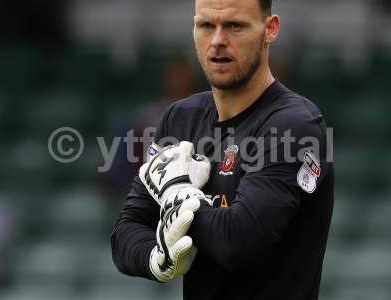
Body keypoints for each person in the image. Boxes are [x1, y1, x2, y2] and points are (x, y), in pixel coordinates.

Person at [111, 0, 334, 299]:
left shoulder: (294, 125)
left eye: (234, 26)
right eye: (206, 26)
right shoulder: (180, 119)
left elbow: (239, 240)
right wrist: (156, 257)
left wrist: (178, 198)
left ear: (270, 29)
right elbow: (127, 228)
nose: (217, 41)